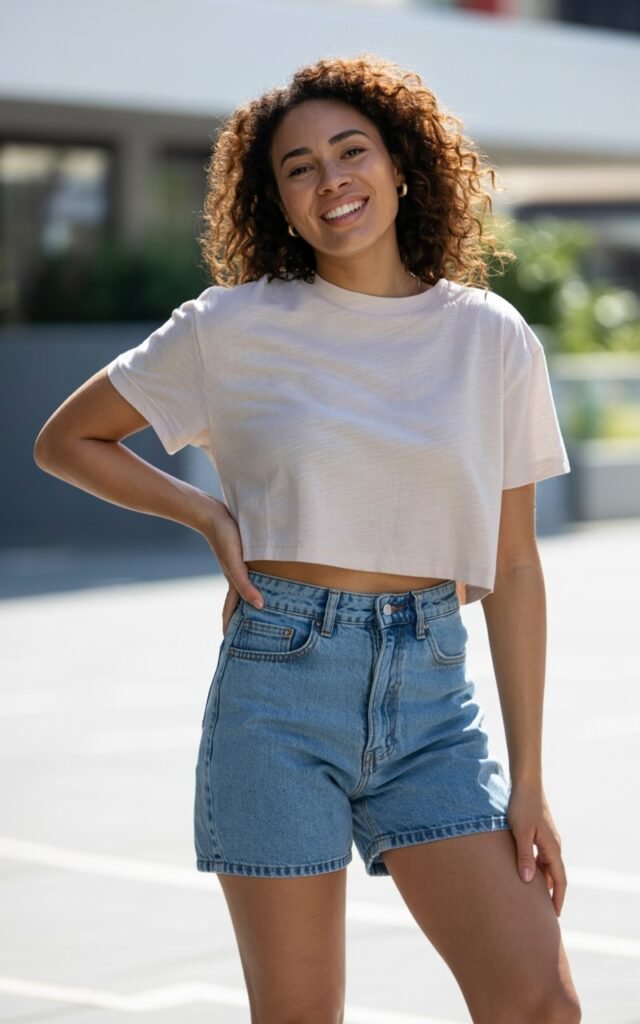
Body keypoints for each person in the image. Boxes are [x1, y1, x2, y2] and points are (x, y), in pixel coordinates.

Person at [34, 53, 582, 1024]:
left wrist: (529, 777)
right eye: (298, 167)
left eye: (350, 150)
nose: (330, 178)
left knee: (535, 1000)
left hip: (432, 703)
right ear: (278, 202)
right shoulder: (232, 327)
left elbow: (510, 564)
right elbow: (68, 439)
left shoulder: (490, 336)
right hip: (277, 690)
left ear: (402, 165)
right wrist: (206, 513)